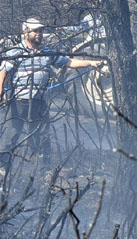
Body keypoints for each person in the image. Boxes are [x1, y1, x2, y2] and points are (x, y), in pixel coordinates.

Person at [1, 18, 105, 166]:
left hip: (40, 101)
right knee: (12, 134)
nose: (39, 33)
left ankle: (43, 168)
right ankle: (3, 167)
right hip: (19, 101)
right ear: (25, 32)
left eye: (41, 31)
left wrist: (90, 63)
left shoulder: (47, 52)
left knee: (42, 135)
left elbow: (69, 62)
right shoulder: (17, 51)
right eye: (35, 31)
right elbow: (3, 71)